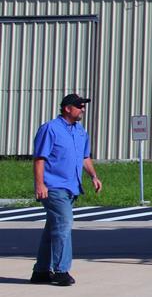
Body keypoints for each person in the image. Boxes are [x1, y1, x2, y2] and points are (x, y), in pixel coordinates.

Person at [31, 93, 101, 286]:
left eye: (83, 106)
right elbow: (40, 158)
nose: (83, 109)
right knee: (63, 225)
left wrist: (93, 176)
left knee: (52, 229)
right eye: (79, 106)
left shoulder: (80, 132)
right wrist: (40, 184)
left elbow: (85, 157)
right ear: (67, 108)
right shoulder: (50, 128)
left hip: (71, 188)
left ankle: (41, 272)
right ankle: (61, 271)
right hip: (53, 187)